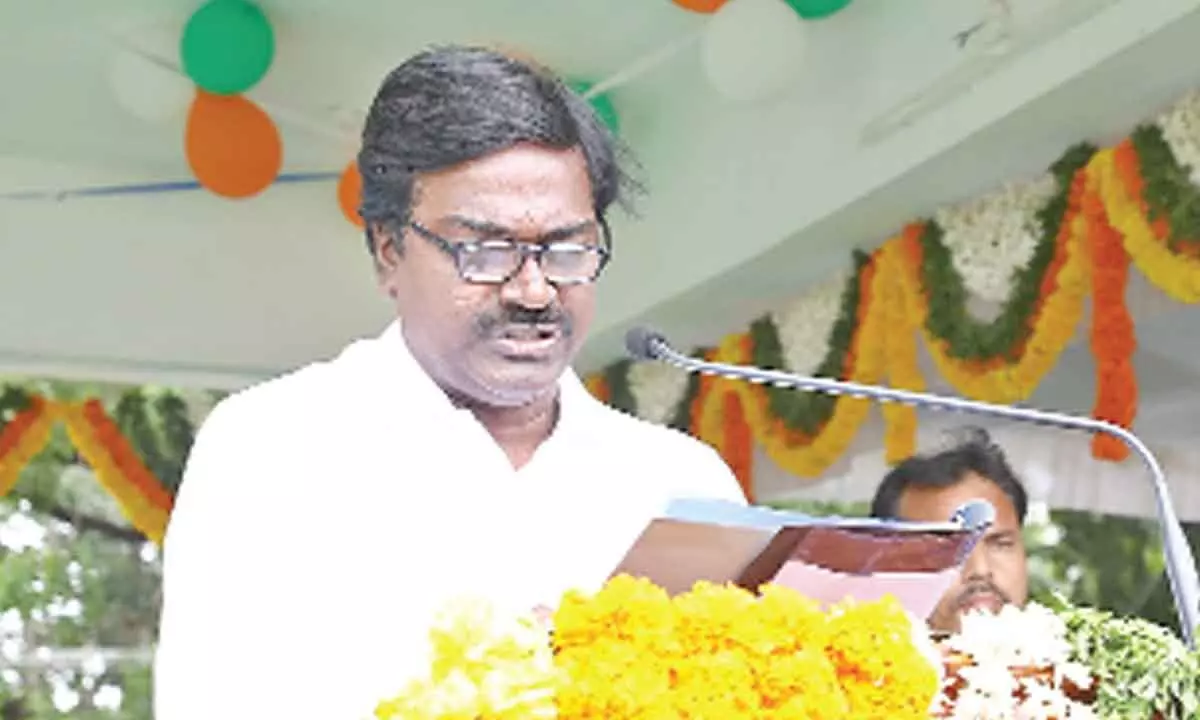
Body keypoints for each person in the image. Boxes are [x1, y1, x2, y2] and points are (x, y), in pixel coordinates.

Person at [153, 45, 747, 720]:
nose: (533, 288)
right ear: (388, 250)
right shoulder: (273, 448)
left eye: (566, 249)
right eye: (485, 250)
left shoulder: (682, 484)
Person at [869, 426, 1029, 633]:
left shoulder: (1071, 659)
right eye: (948, 548)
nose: (980, 570)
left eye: (1001, 545)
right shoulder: (841, 662)